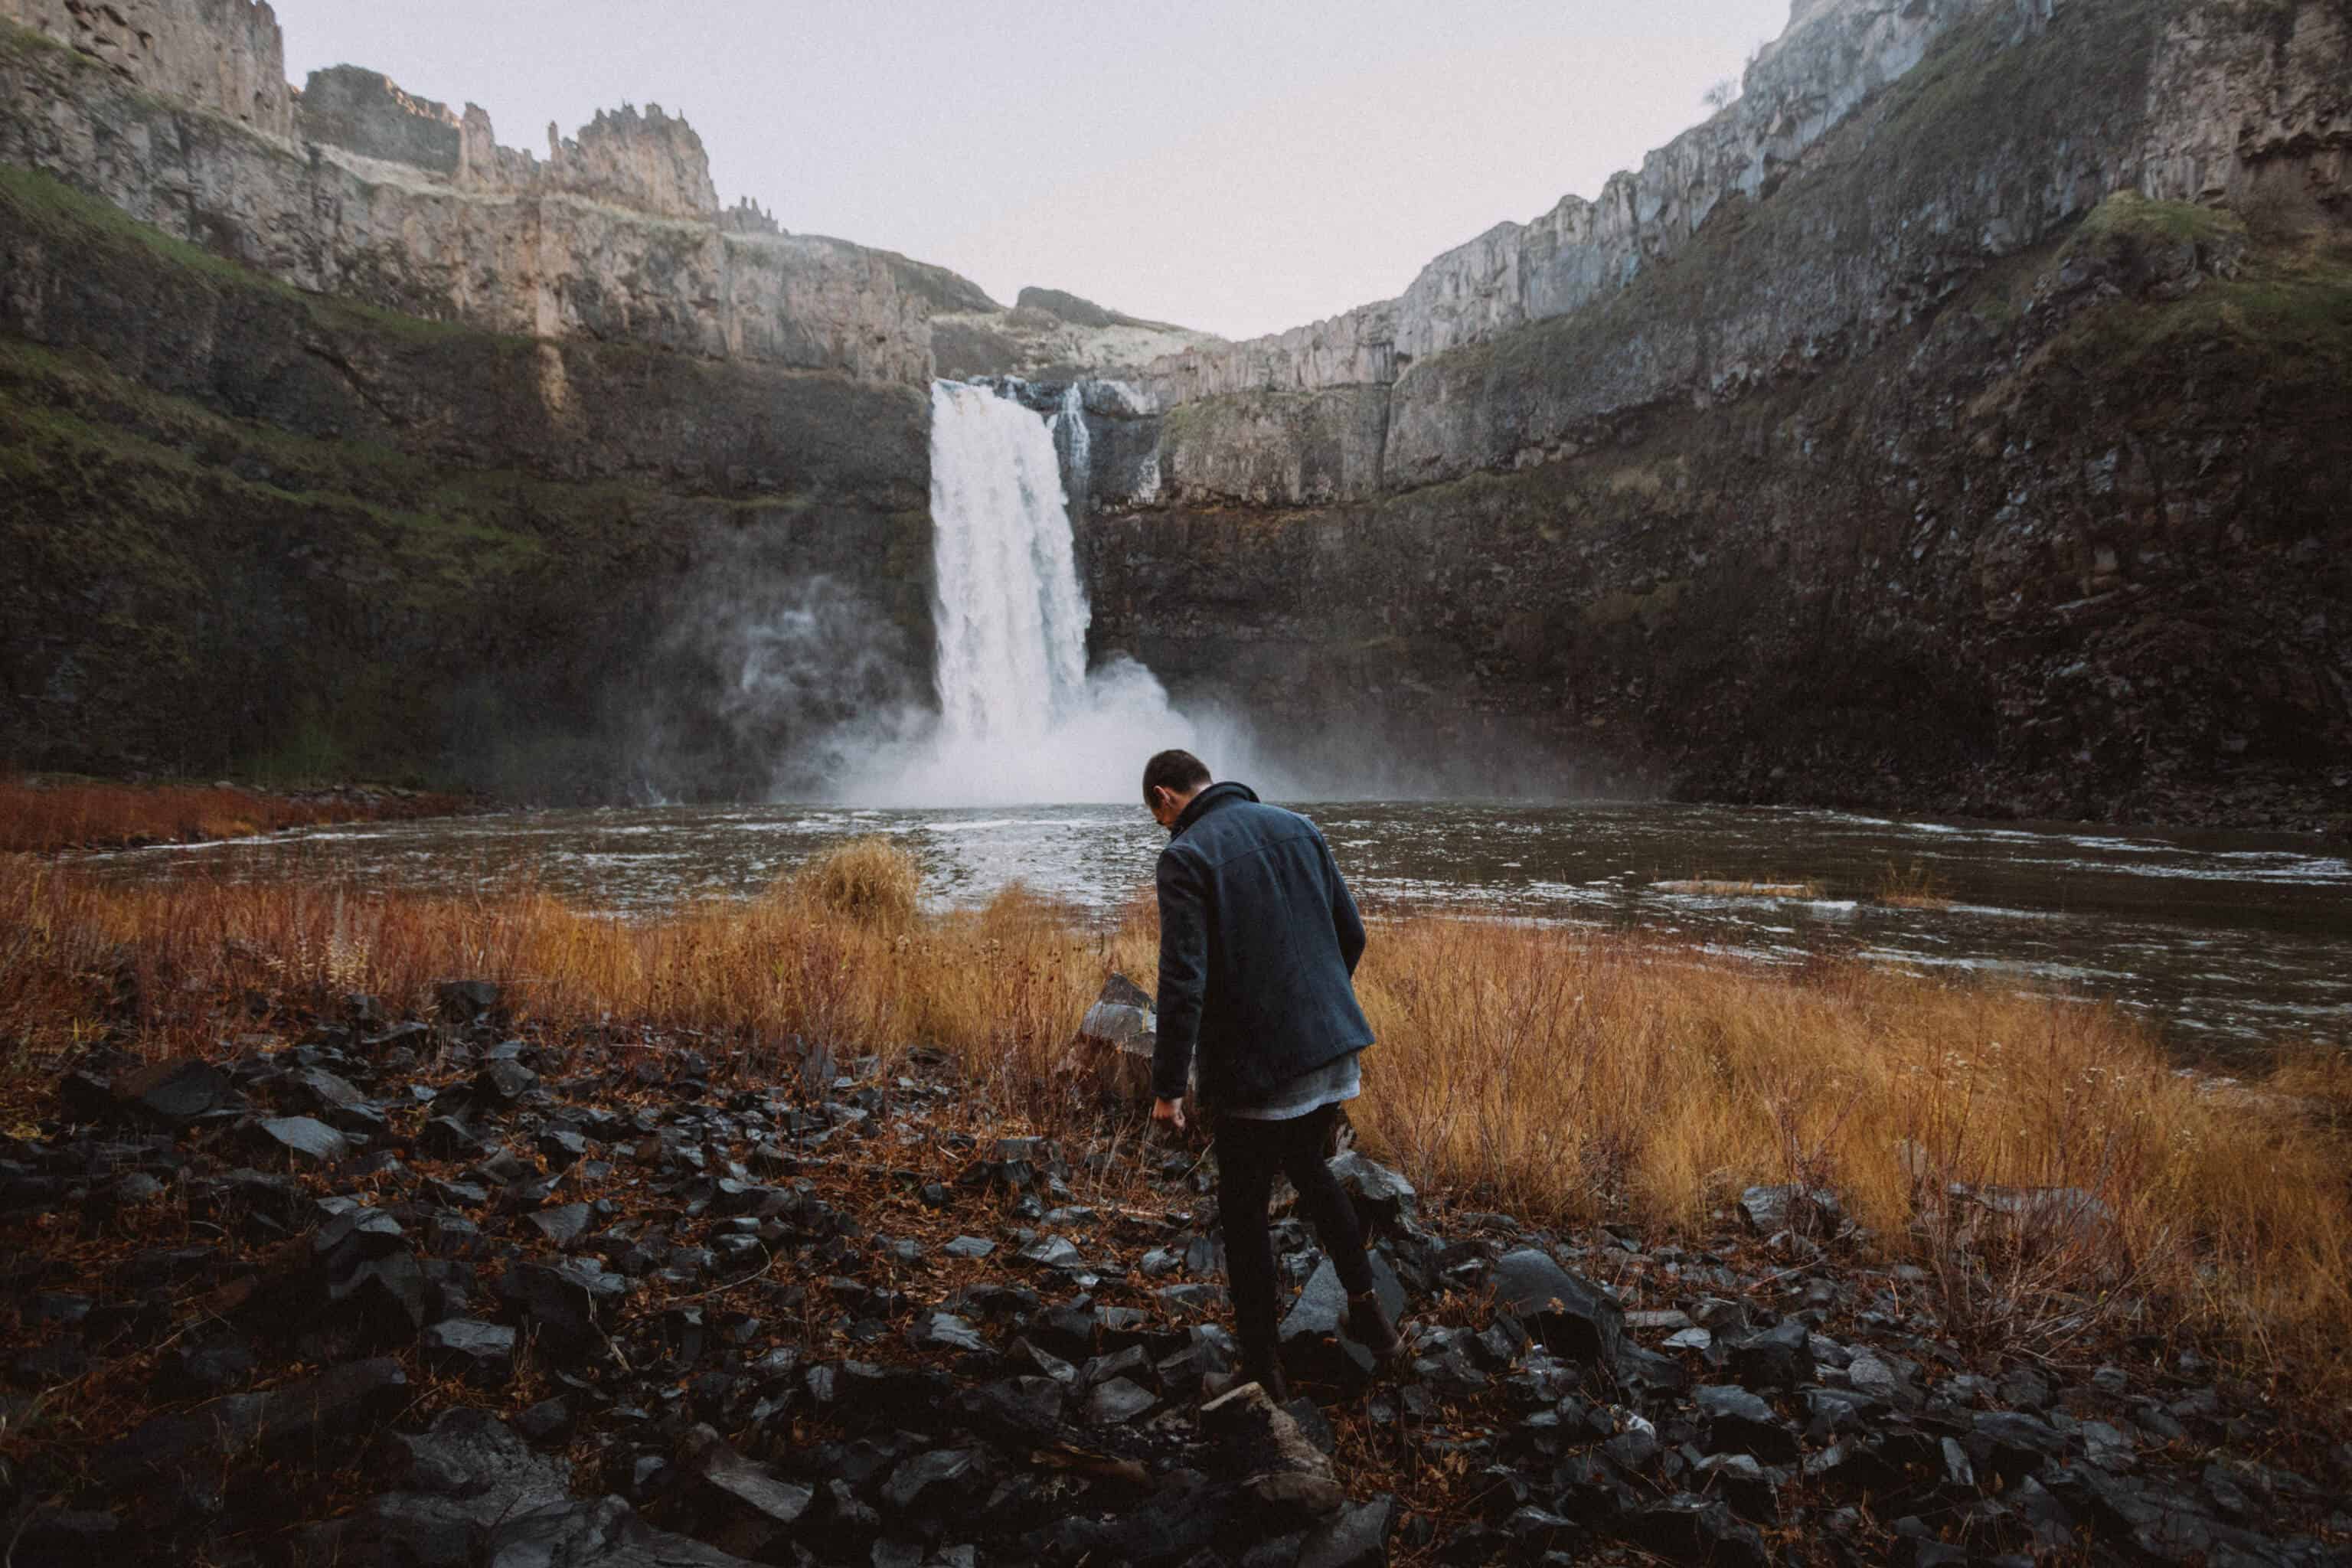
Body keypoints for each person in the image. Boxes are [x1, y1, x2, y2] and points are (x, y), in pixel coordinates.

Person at [1143, 748, 1403, 1403]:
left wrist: (1168, 1088)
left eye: (1158, 814)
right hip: (1328, 1049)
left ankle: (1262, 1368)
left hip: (1257, 1068)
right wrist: (1313, 1008)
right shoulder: (1298, 826)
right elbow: (1353, 934)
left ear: (1164, 797)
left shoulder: (1186, 856)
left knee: (1243, 1209)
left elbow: (1183, 981)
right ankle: (1371, 1313)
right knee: (1313, 1171)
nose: (1163, 826)